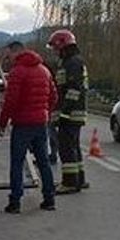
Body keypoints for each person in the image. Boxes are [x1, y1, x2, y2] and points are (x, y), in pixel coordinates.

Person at [0, 41, 56, 214]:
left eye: (8, 55)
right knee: (44, 161)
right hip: (40, 123)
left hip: (22, 125)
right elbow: (54, 96)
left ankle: (15, 202)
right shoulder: (45, 71)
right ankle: (49, 199)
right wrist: (45, 112)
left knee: (17, 162)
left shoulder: (17, 72)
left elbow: (11, 101)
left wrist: (2, 122)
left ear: (16, 53)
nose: (8, 58)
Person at [47, 29, 89, 193]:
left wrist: (64, 112)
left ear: (63, 46)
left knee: (66, 147)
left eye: (55, 48)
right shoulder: (72, 61)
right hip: (73, 113)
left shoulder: (72, 63)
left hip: (70, 114)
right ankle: (79, 179)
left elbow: (73, 90)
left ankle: (70, 183)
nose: (55, 52)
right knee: (73, 146)